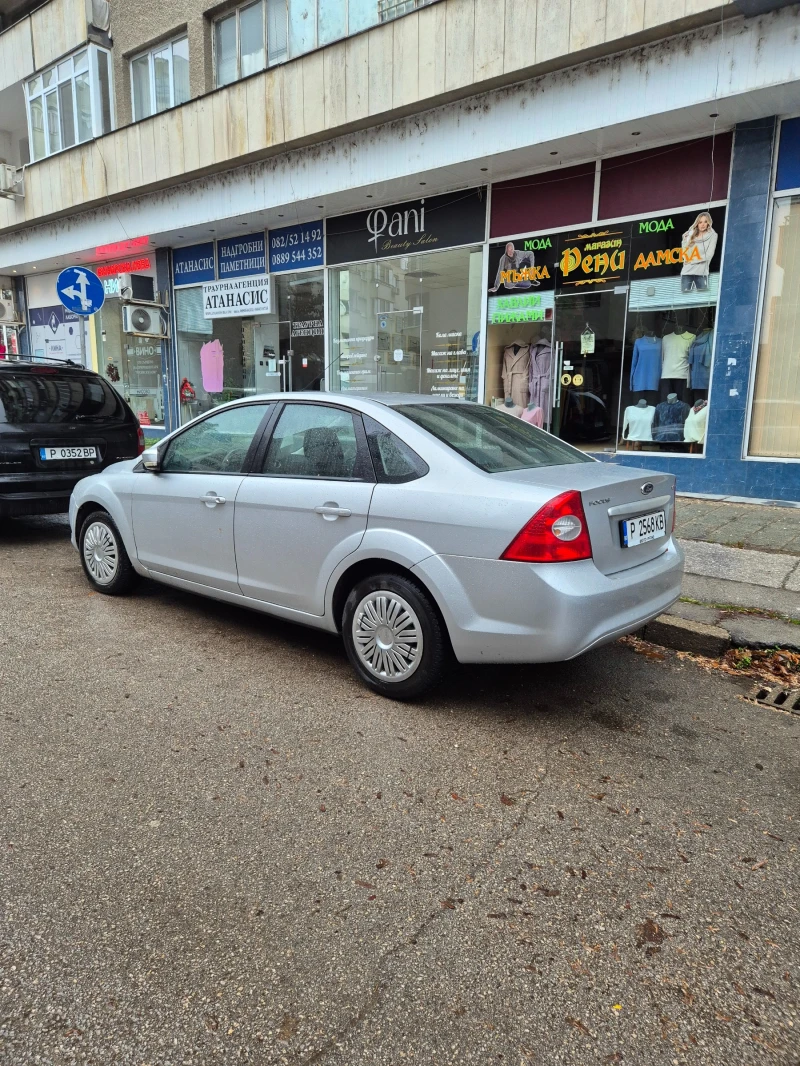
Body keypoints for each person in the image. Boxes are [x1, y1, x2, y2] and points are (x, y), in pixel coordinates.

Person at [680, 212, 717, 292]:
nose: (702, 224)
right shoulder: (692, 235)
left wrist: (692, 261)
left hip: (701, 273)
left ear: (708, 223)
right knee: (685, 297)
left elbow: (709, 255)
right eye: (700, 222)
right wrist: (684, 241)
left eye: (705, 221)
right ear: (697, 223)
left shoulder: (713, 236)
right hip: (687, 272)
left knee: (703, 296)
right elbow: (685, 255)